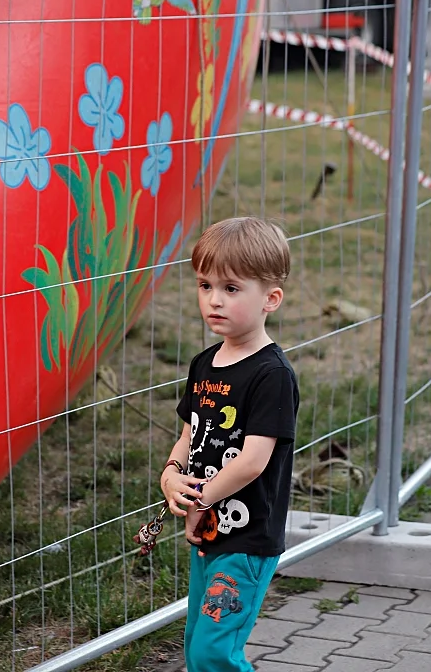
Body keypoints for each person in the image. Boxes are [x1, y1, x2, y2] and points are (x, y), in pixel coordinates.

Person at [159, 216, 300, 672]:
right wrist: (170, 476)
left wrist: (200, 499)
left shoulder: (271, 375)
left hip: (247, 538)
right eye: (204, 285)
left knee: (214, 652)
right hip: (209, 531)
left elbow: (254, 462)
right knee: (197, 642)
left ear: (270, 300)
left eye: (232, 289)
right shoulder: (205, 363)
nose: (214, 300)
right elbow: (189, 433)